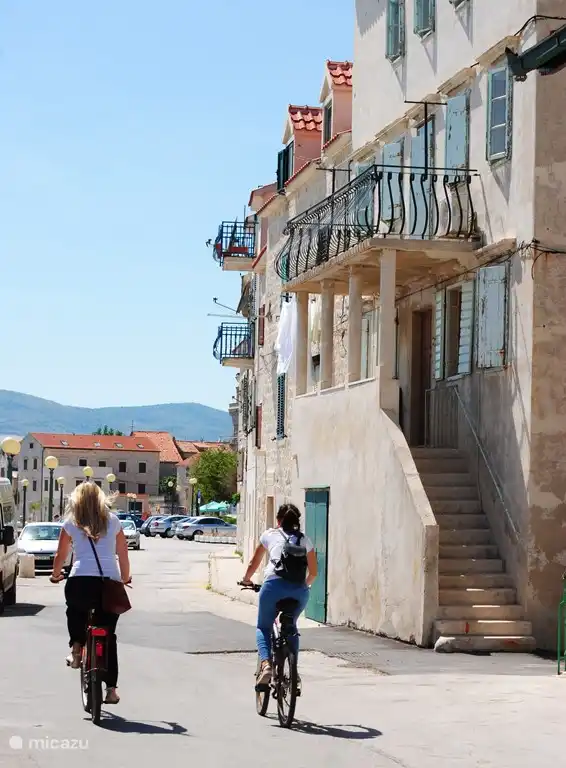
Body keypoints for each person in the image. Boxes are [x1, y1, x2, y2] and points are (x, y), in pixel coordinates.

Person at [50, 481, 131, 705]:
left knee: (75, 610)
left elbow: (60, 556)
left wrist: (56, 575)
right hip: (108, 583)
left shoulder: (71, 522)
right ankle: (111, 690)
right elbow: (123, 555)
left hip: (80, 581)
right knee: (109, 636)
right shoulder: (113, 521)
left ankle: (76, 649)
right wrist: (124, 578)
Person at [241, 503, 318, 687]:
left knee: (263, 627)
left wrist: (246, 579)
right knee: (291, 626)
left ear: (278, 520)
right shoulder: (305, 540)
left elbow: (254, 562)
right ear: (297, 522)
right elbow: (314, 573)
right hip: (299, 591)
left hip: (273, 587)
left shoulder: (269, 535)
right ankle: (293, 671)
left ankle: (266, 665)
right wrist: (302, 587)